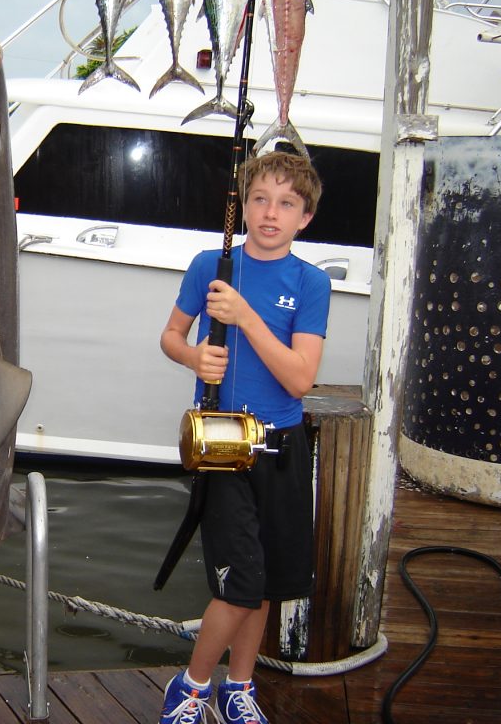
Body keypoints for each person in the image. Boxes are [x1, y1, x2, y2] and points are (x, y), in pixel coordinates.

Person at [157, 150, 327, 724]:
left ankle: (240, 686)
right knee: (239, 583)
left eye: (286, 203)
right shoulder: (211, 264)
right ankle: (192, 686)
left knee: (268, 582)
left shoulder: (312, 282)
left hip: (281, 447)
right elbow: (172, 336)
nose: (270, 213)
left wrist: (247, 316)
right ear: (243, 206)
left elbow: (301, 377)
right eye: (259, 199)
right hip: (223, 448)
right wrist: (194, 357)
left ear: (304, 217)